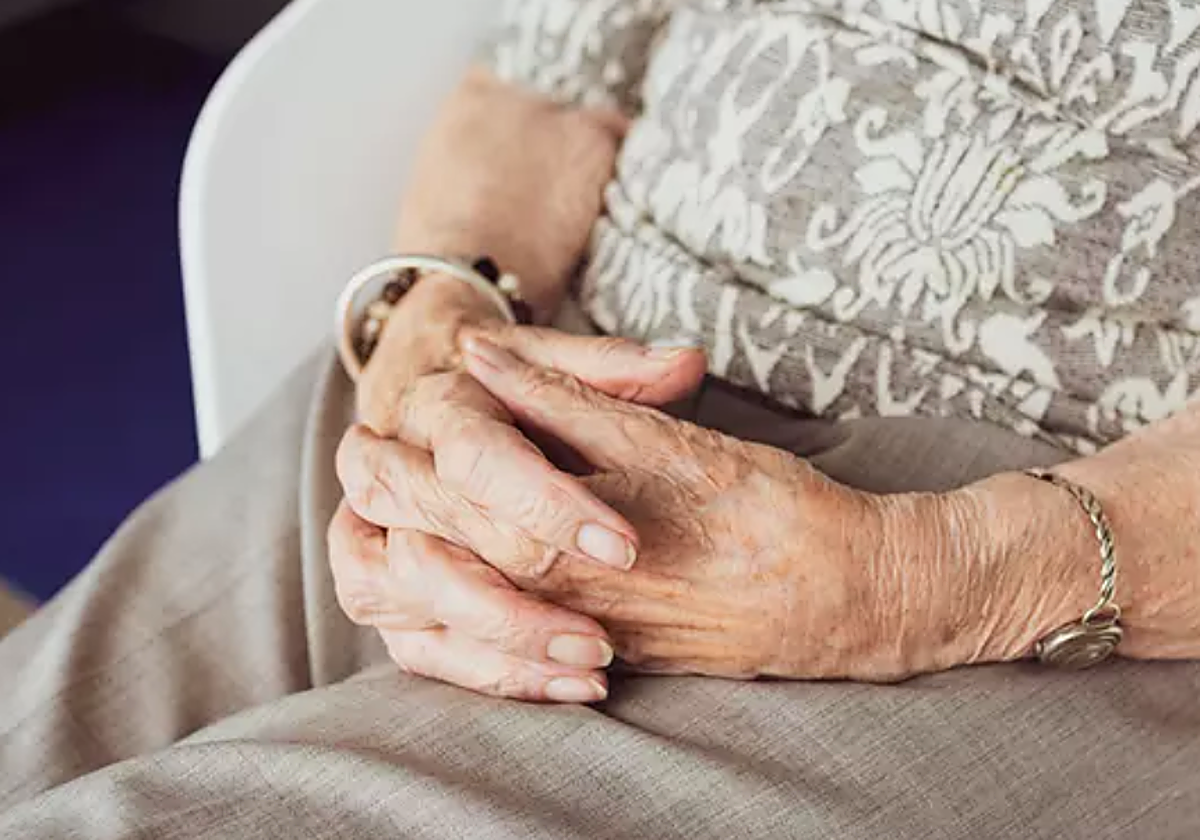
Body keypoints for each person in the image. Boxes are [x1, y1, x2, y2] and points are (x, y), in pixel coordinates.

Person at [3, 0, 1200, 836]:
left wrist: (908, 580)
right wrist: (435, 349)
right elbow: (534, 95)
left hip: (1043, 535)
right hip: (533, 370)